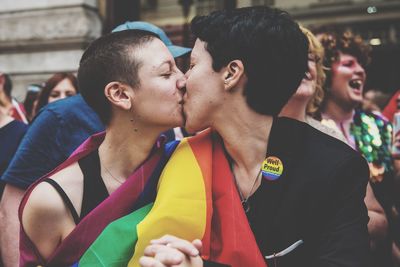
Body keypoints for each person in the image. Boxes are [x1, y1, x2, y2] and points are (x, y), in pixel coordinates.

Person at [139, 7, 369, 267]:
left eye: (192, 65)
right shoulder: (181, 158)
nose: (183, 80)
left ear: (231, 73)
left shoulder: (333, 168)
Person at [0, 22, 191, 267]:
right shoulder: (54, 201)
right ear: (120, 94)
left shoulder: (185, 164)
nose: (184, 80)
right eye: (167, 73)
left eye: (180, 69)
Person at [280, 26, 388, 259]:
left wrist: (337, 220)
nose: (305, 65)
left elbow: (379, 219)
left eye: (311, 59)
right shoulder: (256, 133)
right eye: (294, 56)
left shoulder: (331, 138)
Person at [318, 31, 396, 266]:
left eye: (361, 64)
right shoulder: (310, 128)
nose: (360, 70)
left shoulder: (379, 126)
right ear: (326, 74)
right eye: (349, 64)